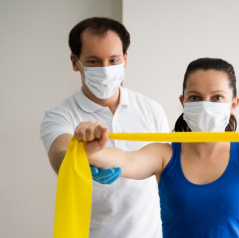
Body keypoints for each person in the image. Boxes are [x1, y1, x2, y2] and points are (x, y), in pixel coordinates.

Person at [75, 58, 239, 238]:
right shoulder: (164, 155)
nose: (206, 104)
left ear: (233, 103)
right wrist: (92, 149)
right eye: (195, 98)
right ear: (182, 101)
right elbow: (124, 160)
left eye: (217, 97)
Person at [40, 17, 169, 238]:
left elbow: (166, 173)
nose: (106, 69)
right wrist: (79, 156)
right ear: (74, 62)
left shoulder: (151, 109)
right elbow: (59, 157)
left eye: (113, 60)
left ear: (125, 59)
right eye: (93, 62)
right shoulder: (60, 115)